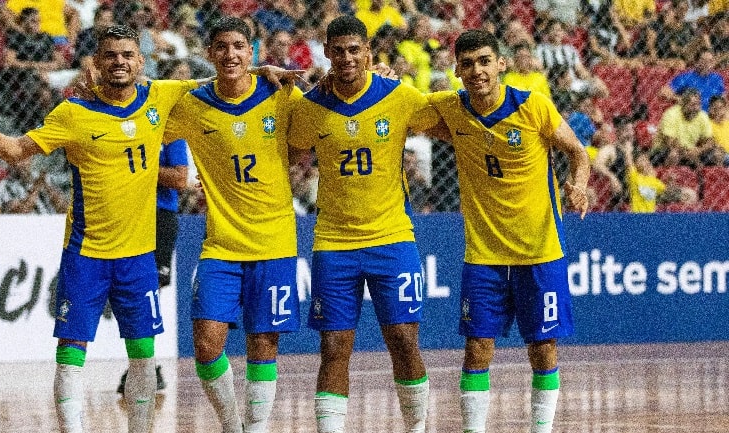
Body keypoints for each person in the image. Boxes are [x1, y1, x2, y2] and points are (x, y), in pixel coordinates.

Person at [0, 24, 198, 433]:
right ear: (96, 63)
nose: (119, 62)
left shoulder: (160, 96)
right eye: (110, 55)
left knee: (143, 357)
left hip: (139, 255)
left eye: (127, 55)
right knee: (71, 354)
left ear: (141, 62)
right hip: (85, 255)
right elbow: (17, 151)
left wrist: (266, 72)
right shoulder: (73, 113)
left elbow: (224, 82)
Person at [425, 29, 590, 433]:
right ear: (458, 70)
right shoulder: (450, 108)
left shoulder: (534, 107)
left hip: (540, 249)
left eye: (485, 61)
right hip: (484, 254)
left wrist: (579, 184)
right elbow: (397, 110)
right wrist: (383, 78)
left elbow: (577, 152)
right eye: (468, 64)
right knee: (478, 347)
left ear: (501, 63)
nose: (477, 71)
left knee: (542, 348)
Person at [288, 15, 441, 433]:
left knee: (404, 342)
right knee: (334, 347)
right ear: (327, 54)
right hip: (334, 242)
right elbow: (288, 151)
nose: (347, 58)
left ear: (369, 54)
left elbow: (449, 125)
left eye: (355, 50)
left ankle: (417, 428)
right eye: (338, 51)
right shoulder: (310, 108)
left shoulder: (399, 96)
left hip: (392, 238)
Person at [161, 16, 303, 433]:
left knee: (263, 343)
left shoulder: (282, 94)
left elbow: (315, 130)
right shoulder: (192, 104)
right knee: (205, 344)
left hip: (274, 241)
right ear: (209, 53)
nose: (231, 54)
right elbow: (146, 120)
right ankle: (232, 425)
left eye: (239, 46)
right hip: (220, 244)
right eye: (222, 47)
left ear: (252, 50)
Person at [117, 138, 189, 395]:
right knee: (131, 291)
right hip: (129, 211)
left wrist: (138, 168)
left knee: (150, 289)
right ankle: (142, 364)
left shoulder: (169, 129)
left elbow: (181, 178)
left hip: (160, 215)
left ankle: (147, 364)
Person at [1, 156, 70, 214]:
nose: (22, 164)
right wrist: (37, 187)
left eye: (25, 158)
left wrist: (47, 187)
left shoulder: (42, 176)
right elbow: (21, 212)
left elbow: (65, 209)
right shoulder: (6, 185)